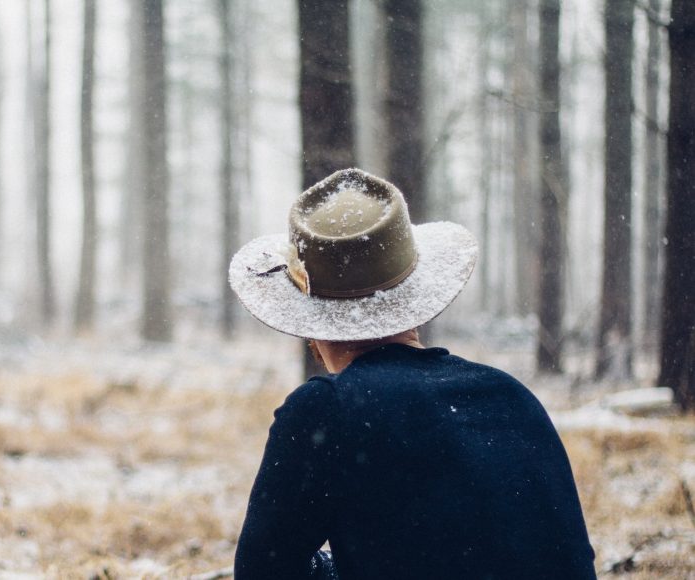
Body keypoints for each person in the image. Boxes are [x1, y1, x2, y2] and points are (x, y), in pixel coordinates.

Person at [227, 169, 595, 579]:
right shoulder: (511, 395)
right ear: (412, 295)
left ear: (310, 323)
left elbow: (263, 571)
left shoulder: (326, 411)